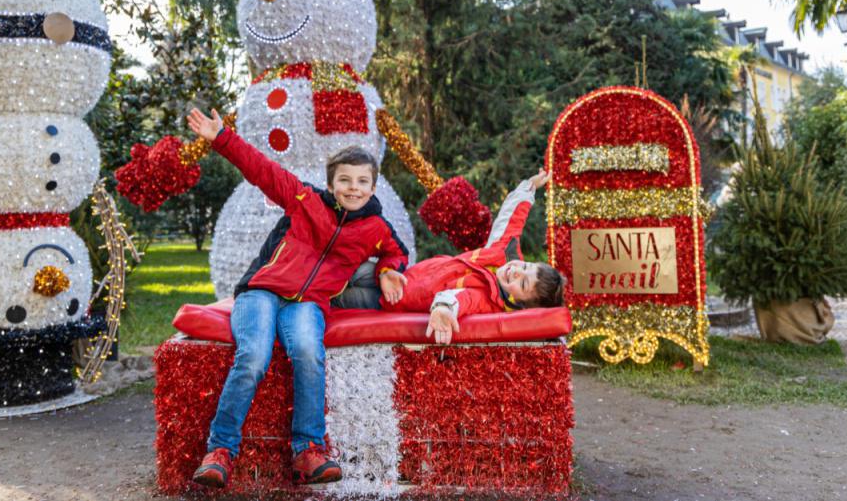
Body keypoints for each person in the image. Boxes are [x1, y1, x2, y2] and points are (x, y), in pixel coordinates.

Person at [185, 108, 409, 489]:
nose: (353, 188)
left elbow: (397, 252)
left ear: (373, 188)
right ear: (331, 183)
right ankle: (220, 450)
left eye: (362, 181)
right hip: (262, 292)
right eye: (344, 180)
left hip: (307, 304)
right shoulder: (305, 199)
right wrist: (222, 138)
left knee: (308, 351)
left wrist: (389, 271)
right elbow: (261, 170)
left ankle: (308, 450)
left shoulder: (376, 227)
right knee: (254, 355)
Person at [335, 169, 565, 344]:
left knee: (342, 297)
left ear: (520, 303)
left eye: (522, 283)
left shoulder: (488, 299)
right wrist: (529, 188)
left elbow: (461, 298)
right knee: (347, 269)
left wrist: (444, 308)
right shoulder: (501, 254)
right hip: (404, 275)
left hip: (392, 299)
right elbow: (511, 219)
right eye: (525, 267)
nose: (516, 272)